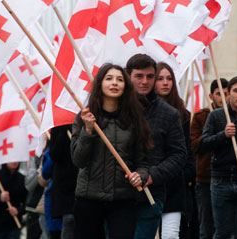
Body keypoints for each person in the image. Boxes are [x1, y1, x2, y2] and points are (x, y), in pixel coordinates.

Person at [70, 64, 151, 239]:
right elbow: (78, 160)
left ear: (125, 86)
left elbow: (142, 162)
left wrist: (140, 176)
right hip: (88, 199)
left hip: (123, 200)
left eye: (120, 79)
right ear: (100, 84)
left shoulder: (135, 120)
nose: (114, 83)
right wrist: (88, 131)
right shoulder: (84, 117)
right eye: (109, 78)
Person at [126, 54, 187, 239]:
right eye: (139, 76)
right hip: (116, 196)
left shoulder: (169, 114)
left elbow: (179, 154)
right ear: (128, 76)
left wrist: (153, 176)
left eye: (150, 76)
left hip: (151, 194)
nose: (145, 81)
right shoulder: (116, 109)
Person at [201, 76, 237, 239]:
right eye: (236, 90)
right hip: (221, 181)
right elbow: (203, 144)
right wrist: (223, 135)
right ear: (229, 94)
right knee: (222, 232)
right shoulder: (216, 116)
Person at [155, 62, 196, 239]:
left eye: (169, 78)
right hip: (150, 181)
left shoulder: (182, 113)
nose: (165, 83)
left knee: (171, 235)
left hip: (174, 185)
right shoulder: (141, 111)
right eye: (160, 78)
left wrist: (186, 174)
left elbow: (186, 149)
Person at [190, 78, 228, 239]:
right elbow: (195, 145)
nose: (224, 98)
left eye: (226, 94)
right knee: (206, 225)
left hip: (227, 178)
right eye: (220, 94)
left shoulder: (235, 116)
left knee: (226, 226)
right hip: (206, 179)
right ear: (211, 96)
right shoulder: (201, 116)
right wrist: (217, 135)